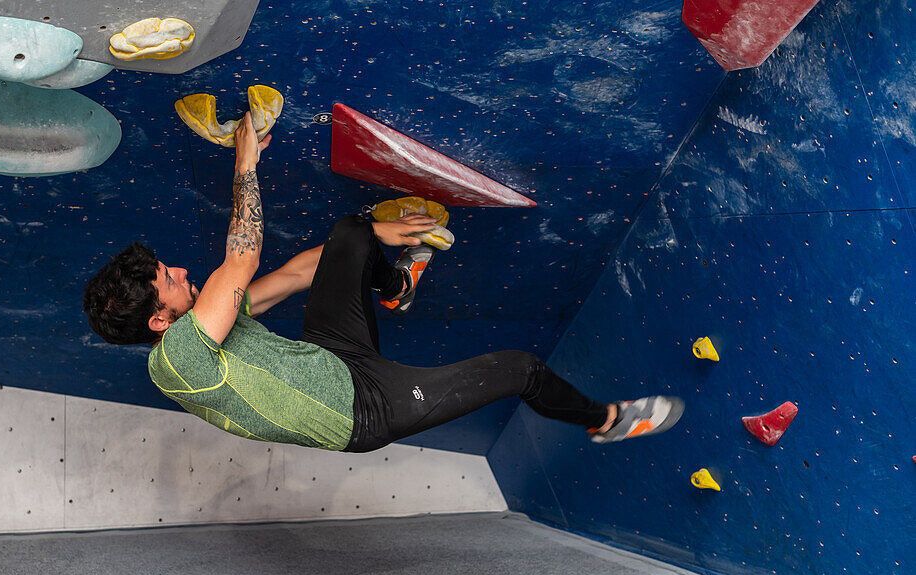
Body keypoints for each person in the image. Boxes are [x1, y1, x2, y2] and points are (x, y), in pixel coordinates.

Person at [83, 111, 684, 452]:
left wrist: (373, 238)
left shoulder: (202, 322)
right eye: (169, 279)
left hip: (333, 356)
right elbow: (239, 261)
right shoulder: (179, 360)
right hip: (364, 409)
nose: (181, 272)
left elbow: (294, 275)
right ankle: (606, 421)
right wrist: (244, 162)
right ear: (158, 321)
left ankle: (396, 286)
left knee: (349, 230)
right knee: (521, 370)